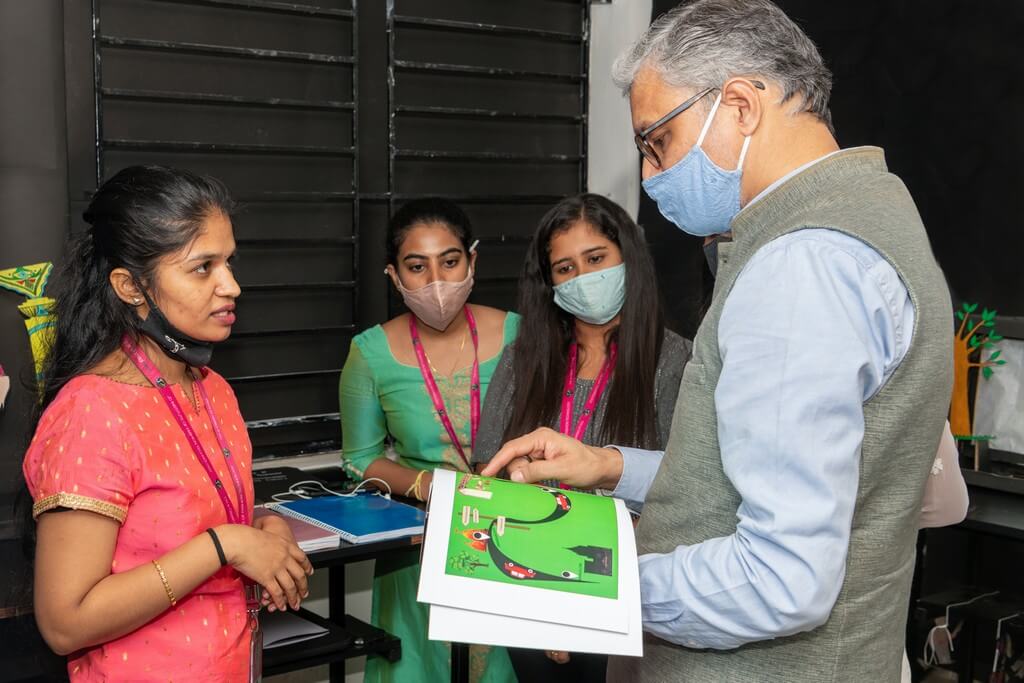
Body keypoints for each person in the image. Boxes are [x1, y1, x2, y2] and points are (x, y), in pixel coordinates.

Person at [483, 1, 954, 680]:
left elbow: (781, 576)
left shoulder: (800, 266)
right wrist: (610, 465)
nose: (648, 176)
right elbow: (771, 477)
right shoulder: (876, 209)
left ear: (739, 104)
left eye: (657, 143)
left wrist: (591, 590)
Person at [23, 165, 312, 682]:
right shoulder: (91, 411)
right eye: (203, 267)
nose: (232, 286)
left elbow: (185, 516)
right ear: (131, 286)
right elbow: (65, 623)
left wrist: (259, 530)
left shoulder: (212, 389)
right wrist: (226, 545)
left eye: (229, 262)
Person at [472, 193, 688, 681]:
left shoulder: (677, 362)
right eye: (565, 269)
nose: (584, 278)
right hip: (526, 592)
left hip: (627, 597)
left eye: (596, 259)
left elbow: (682, 494)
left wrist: (580, 606)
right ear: (548, 283)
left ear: (627, 258)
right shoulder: (522, 361)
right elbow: (488, 471)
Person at [339, 198, 518, 683]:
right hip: (419, 544)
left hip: (514, 537)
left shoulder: (519, 334)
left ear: (473, 261)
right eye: (417, 267)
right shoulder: (370, 353)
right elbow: (359, 459)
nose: (436, 280)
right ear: (394, 277)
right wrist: (427, 486)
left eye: (450, 261)